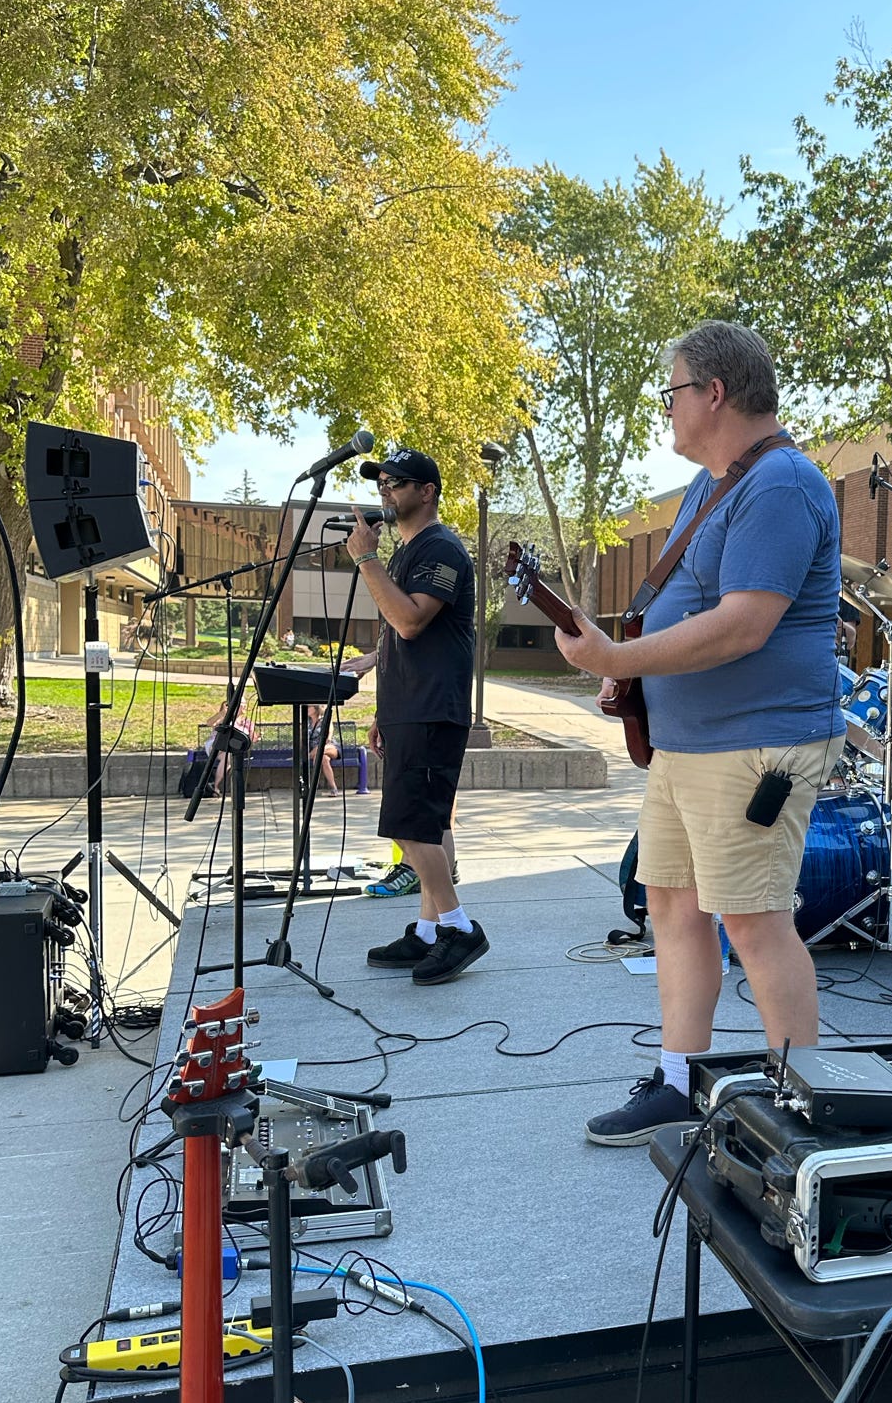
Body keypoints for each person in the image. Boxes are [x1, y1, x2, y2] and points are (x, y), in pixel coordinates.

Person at [554, 321, 846, 1143]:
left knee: (753, 920)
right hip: (689, 746)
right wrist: (630, 663)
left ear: (713, 393)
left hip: (756, 747)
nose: (667, 411)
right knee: (672, 907)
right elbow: (690, 617)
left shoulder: (781, 485)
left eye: (671, 392)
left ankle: (803, 1104)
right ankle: (680, 1080)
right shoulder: (713, 485)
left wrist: (621, 652)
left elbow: (744, 624)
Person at [344, 445, 489, 985]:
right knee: (428, 821)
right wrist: (385, 704)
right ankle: (429, 932)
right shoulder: (407, 552)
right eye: (381, 481)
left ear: (426, 492)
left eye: (397, 482)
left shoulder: (441, 550)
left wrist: (365, 559)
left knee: (410, 825)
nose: (385, 490)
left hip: (433, 708)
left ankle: (458, 927)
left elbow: (408, 622)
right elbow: (399, 641)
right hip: (410, 706)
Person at [305, 703, 340, 795]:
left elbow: (329, 736)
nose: (306, 708)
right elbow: (302, 739)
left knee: (319, 750)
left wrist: (319, 747)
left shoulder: (325, 720)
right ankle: (334, 788)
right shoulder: (306, 722)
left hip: (329, 747)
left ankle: (312, 786)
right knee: (323, 759)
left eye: (309, 707)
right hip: (317, 752)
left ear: (316, 708)